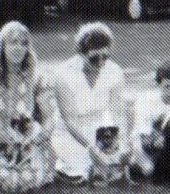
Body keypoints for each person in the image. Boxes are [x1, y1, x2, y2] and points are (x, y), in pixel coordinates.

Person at [0, 21, 56, 194]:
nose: (18, 48)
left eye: (24, 43)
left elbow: (49, 117)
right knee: (5, 181)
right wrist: (3, 137)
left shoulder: (37, 76)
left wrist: (39, 137)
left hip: (28, 139)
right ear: (2, 46)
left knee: (32, 179)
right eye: (13, 42)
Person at [52, 22, 132, 182]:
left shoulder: (114, 71)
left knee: (123, 153)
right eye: (94, 58)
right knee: (82, 166)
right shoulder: (63, 74)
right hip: (71, 133)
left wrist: (121, 139)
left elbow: (118, 113)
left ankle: (106, 167)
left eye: (105, 57)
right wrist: (90, 148)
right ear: (81, 54)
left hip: (101, 129)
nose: (101, 63)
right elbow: (69, 120)